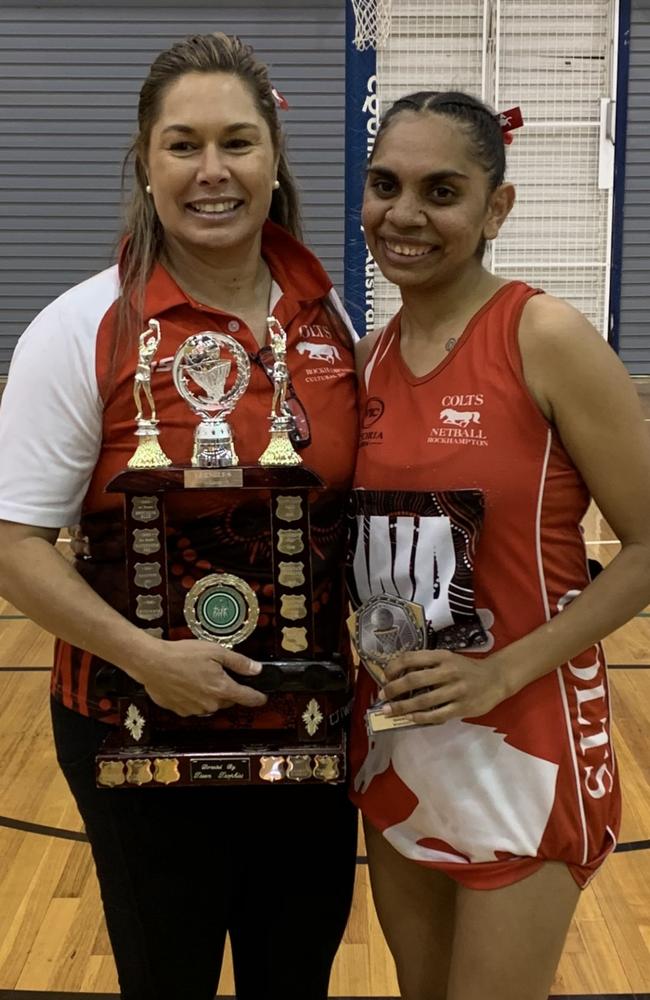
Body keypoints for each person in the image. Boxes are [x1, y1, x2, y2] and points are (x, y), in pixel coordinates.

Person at [0, 33, 359, 1000]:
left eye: (238, 143)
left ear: (275, 158)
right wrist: (150, 657)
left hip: (310, 728)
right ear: (145, 160)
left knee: (297, 981)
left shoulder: (330, 326)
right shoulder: (81, 328)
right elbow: (16, 548)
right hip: (134, 730)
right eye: (182, 144)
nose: (213, 172)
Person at [348, 90, 650, 1000]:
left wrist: (501, 672)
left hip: (526, 743)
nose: (404, 214)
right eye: (385, 184)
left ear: (496, 208)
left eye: (442, 191)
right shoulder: (364, 359)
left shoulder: (544, 337)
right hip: (399, 747)